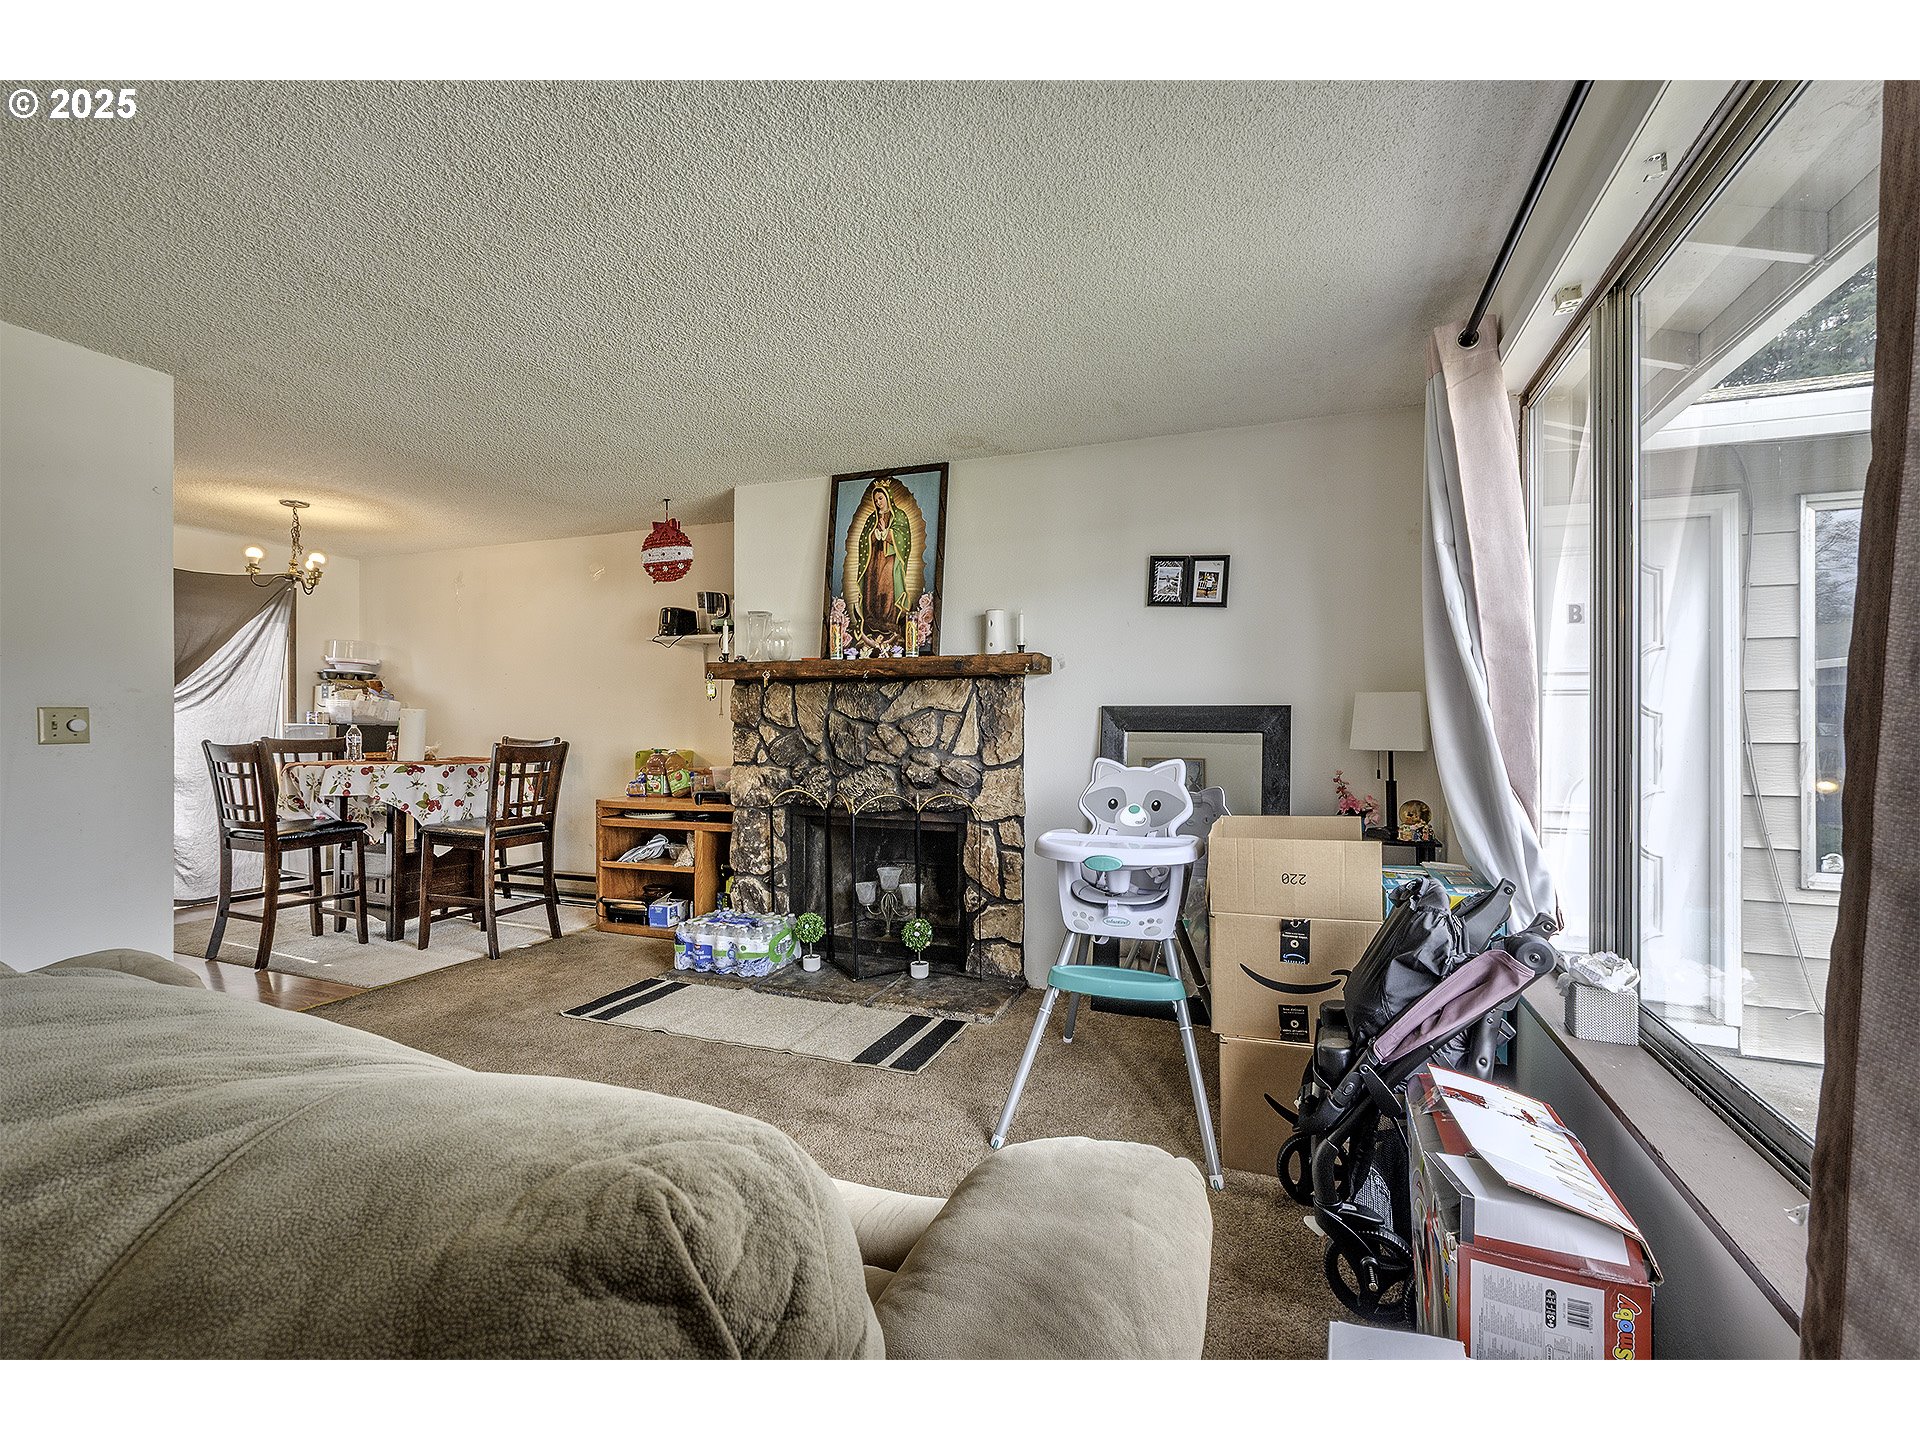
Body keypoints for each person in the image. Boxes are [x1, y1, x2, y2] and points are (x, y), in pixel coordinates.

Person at [855, 479, 912, 644]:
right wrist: (874, 534)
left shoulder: (899, 515)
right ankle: (871, 619)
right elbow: (863, 540)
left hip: (889, 558)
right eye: (876, 499)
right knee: (871, 587)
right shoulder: (871, 518)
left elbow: (904, 538)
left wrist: (887, 533)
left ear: (888, 497)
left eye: (881, 498)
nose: (878, 502)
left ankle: (888, 621)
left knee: (886, 586)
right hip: (873, 559)